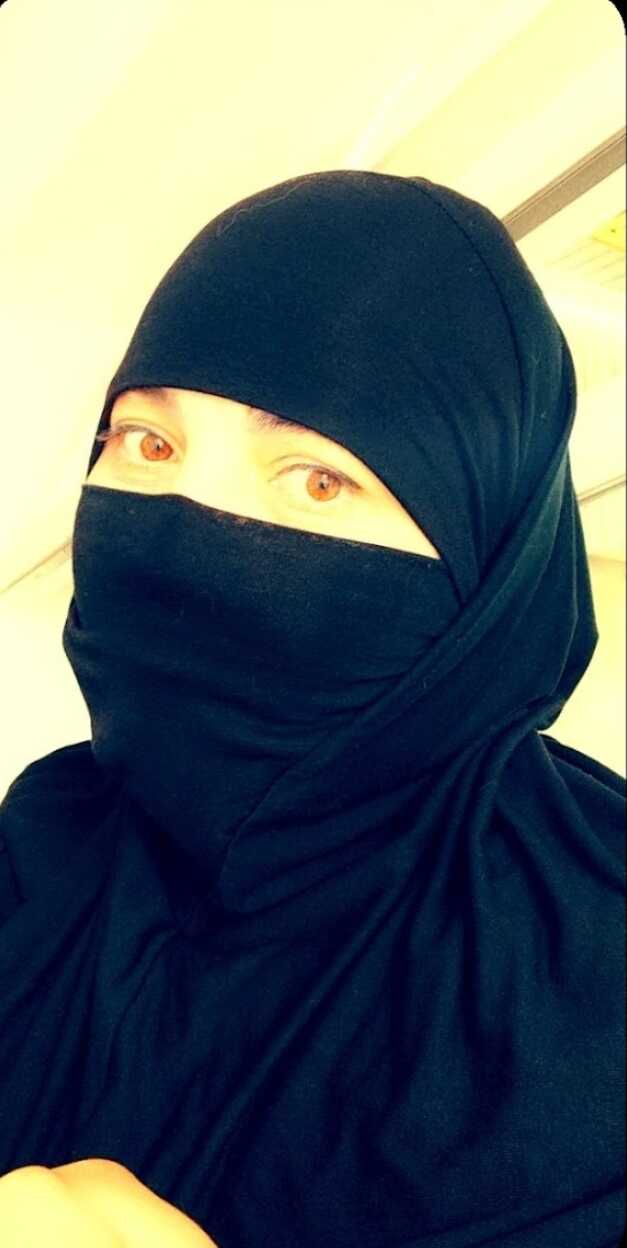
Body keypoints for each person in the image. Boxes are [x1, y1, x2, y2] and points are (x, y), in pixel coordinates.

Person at [0, 169, 624, 1248]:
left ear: (485, 551)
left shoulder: (590, 987)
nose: (187, 524)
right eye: (148, 444)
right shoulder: (49, 829)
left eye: (316, 479)